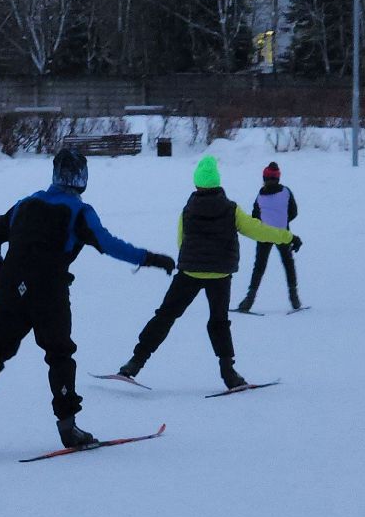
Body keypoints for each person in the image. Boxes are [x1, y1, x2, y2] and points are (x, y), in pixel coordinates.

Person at [0, 149, 175, 449]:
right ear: (82, 179)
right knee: (59, 355)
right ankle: (68, 427)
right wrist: (150, 259)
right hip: (48, 291)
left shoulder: (25, 204)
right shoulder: (78, 212)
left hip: (10, 288)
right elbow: (108, 244)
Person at [116, 155, 301, 390]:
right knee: (219, 323)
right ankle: (229, 374)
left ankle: (135, 363)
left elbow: (181, 241)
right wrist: (287, 236)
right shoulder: (232, 209)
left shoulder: (187, 210)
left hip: (189, 273)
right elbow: (258, 230)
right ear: (217, 183)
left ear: (197, 184)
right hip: (220, 276)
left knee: (165, 316)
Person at [239, 160, 301, 313]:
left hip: (264, 234)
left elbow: (254, 216)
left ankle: (248, 301)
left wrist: (265, 224)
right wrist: (283, 221)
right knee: (288, 264)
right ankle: (294, 299)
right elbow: (294, 211)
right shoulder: (286, 192)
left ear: (264, 178)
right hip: (283, 234)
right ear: (278, 178)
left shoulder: (260, 195)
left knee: (259, 267)